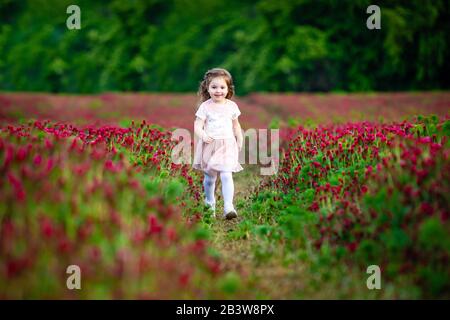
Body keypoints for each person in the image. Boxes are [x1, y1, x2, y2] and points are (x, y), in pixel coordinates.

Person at [193, 68, 244, 219]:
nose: (218, 91)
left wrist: (239, 138)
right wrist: (203, 135)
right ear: (207, 88)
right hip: (210, 145)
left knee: (226, 174)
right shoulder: (205, 107)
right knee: (210, 178)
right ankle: (210, 202)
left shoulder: (231, 106)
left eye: (222, 87)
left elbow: (236, 125)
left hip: (227, 144)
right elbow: (197, 125)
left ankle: (229, 206)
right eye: (214, 87)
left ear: (228, 89)